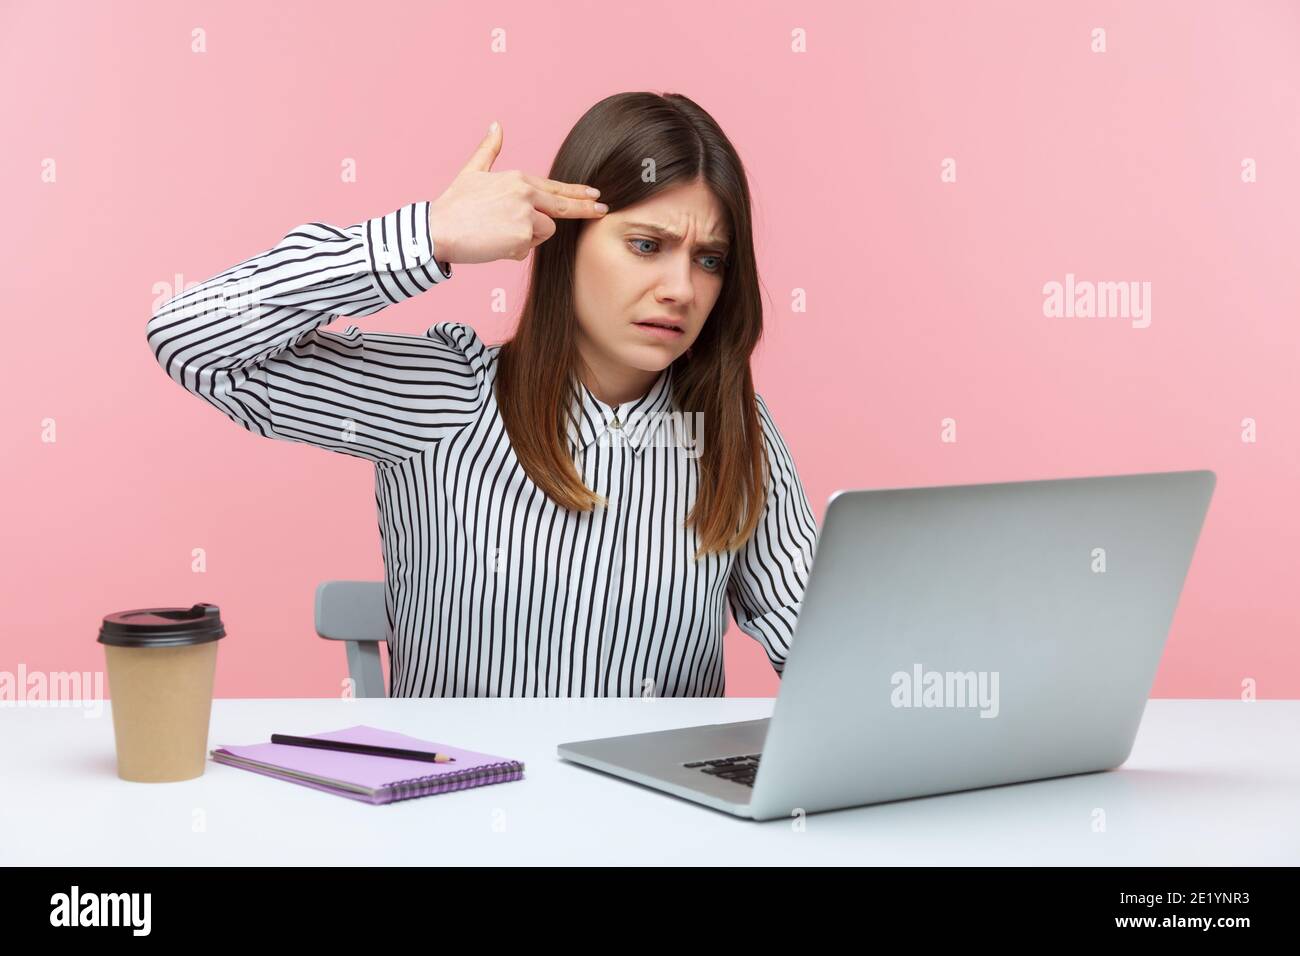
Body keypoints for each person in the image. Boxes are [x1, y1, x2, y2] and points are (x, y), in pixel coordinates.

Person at [145, 91, 819, 698]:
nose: (682, 288)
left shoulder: (732, 428)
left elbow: (826, 648)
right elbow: (190, 335)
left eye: (710, 260)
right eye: (647, 245)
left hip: (660, 822)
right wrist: (426, 237)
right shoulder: (446, 393)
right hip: (459, 815)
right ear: (567, 243)